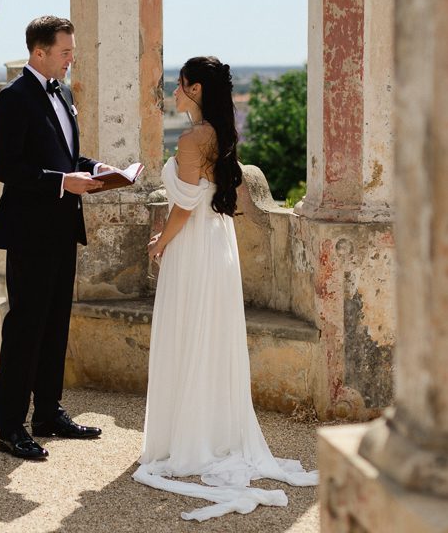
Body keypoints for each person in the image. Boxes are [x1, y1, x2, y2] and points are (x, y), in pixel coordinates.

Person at [134, 56, 319, 520]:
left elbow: (184, 207)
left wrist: (160, 243)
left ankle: (191, 438)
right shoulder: (220, 133)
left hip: (195, 245)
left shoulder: (194, 138)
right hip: (218, 242)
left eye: (178, 86)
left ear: (195, 90)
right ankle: (209, 430)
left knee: (189, 332)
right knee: (209, 336)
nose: (173, 93)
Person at [0, 15, 117, 460]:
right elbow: (5, 167)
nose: (71, 59)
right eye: (65, 52)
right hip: (29, 231)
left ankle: (47, 413)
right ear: (38, 52)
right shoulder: (13, 98)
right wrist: (64, 181)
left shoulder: (62, 92)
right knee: (25, 328)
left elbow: (62, 155)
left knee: (56, 322)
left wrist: (94, 168)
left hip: (63, 228)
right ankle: (10, 428)